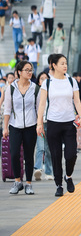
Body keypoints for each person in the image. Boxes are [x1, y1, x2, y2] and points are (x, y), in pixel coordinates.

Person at [36, 54, 81, 197]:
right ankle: (59, 185)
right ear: (54, 65)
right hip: (53, 123)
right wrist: (39, 123)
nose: (65, 66)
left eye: (66, 63)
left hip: (69, 123)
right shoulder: (47, 83)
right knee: (56, 156)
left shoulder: (71, 81)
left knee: (71, 154)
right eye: (62, 63)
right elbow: (42, 105)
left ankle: (68, 176)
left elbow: (77, 101)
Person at [3, 61, 39, 195]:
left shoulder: (35, 88)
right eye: (27, 70)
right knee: (14, 154)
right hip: (15, 126)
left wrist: (39, 125)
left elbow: (39, 108)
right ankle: (18, 181)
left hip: (31, 126)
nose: (30, 72)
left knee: (29, 155)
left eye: (31, 70)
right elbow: (7, 109)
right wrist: (5, 127)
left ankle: (28, 183)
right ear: (19, 72)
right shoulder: (11, 88)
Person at [33, 71, 53, 181]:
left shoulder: (53, 92)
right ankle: (38, 169)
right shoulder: (36, 92)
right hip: (39, 122)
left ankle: (49, 172)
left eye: (46, 78)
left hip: (50, 122)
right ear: (39, 82)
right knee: (40, 147)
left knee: (49, 148)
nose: (44, 80)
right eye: (41, 78)